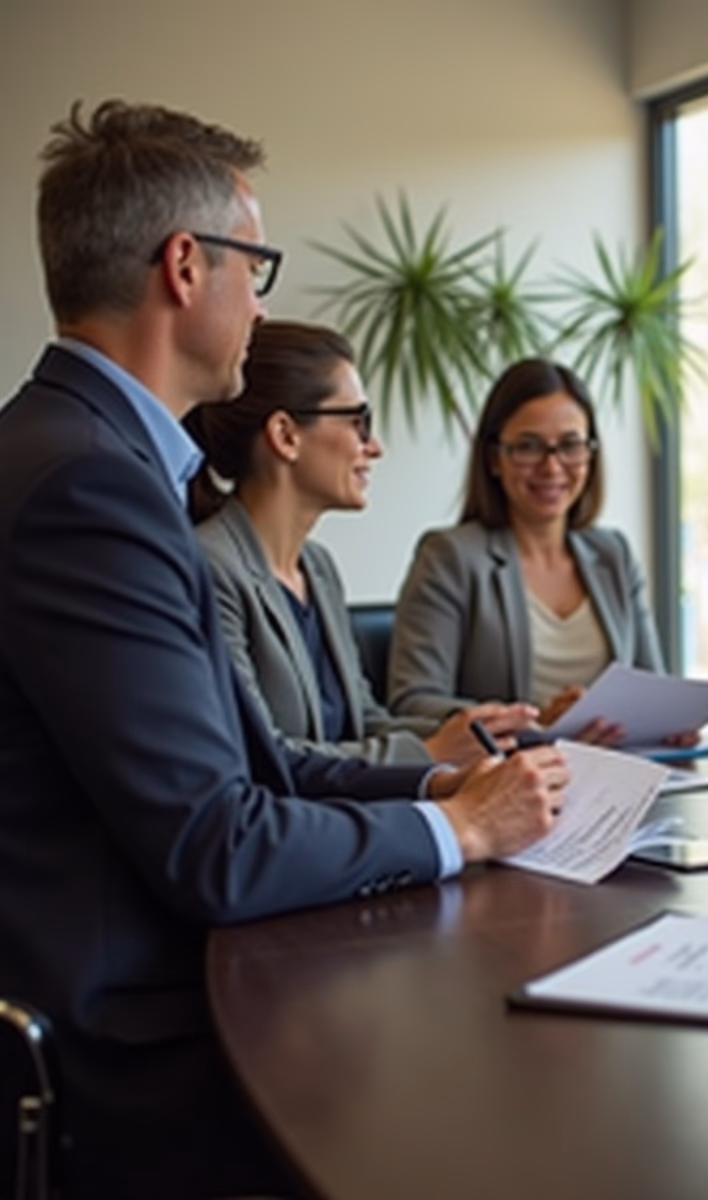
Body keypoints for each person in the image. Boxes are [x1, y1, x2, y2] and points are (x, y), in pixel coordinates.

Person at [0, 99, 566, 1199]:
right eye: (253, 266)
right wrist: (454, 828)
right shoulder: (90, 485)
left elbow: (252, 753)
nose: (261, 302)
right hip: (128, 1054)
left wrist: (443, 779)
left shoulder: (75, 451)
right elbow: (217, 843)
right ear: (183, 266)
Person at [186, 319, 540, 766]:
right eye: (359, 422)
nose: (375, 447)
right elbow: (265, 758)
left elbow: (365, 721)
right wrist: (428, 752)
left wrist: (475, 731)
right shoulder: (211, 568)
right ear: (285, 436)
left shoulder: (317, 568)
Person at [388, 357, 673, 744]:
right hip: (508, 780)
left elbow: (651, 689)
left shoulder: (614, 554)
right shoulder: (450, 557)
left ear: (590, 454)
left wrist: (668, 723)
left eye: (570, 445)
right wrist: (535, 722)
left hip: (616, 773)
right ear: (493, 458)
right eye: (528, 446)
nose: (552, 467)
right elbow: (412, 701)